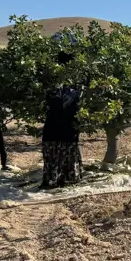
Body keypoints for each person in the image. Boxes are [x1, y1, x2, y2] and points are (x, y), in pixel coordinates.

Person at [41, 43, 84, 189]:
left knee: (57, 150)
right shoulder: (73, 87)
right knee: (65, 149)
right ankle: (66, 177)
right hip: (65, 128)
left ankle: (55, 178)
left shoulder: (54, 85)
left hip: (59, 128)